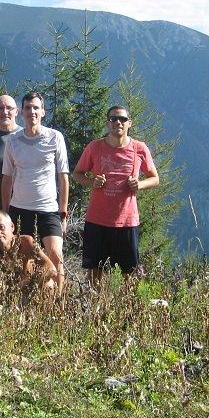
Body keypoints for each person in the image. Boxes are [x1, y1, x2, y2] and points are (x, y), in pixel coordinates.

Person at [72, 105, 159, 284]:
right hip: (97, 220)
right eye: (113, 119)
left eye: (122, 119)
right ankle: (94, 302)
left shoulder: (139, 148)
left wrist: (139, 184)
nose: (118, 122)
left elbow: (155, 178)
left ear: (129, 123)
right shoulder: (95, 147)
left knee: (129, 275)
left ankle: (124, 303)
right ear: (107, 123)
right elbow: (77, 174)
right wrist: (92, 182)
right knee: (94, 274)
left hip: (127, 221)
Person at [2, 92, 69, 290]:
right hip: (19, 209)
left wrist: (63, 213)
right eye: (28, 108)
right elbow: (7, 178)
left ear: (43, 112)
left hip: (48, 209)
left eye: (36, 108)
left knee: (56, 255)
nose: (32, 111)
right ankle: (26, 298)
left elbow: (63, 177)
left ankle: (59, 300)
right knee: (24, 261)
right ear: (21, 112)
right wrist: (6, 213)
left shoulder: (55, 137)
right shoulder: (13, 140)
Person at [0, 210, 57, 295]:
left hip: (31, 288)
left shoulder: (26, 242)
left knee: (48, 284)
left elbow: (51, 269)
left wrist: (26, 283)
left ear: (12, 227)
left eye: (1, 227)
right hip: (6, 295)